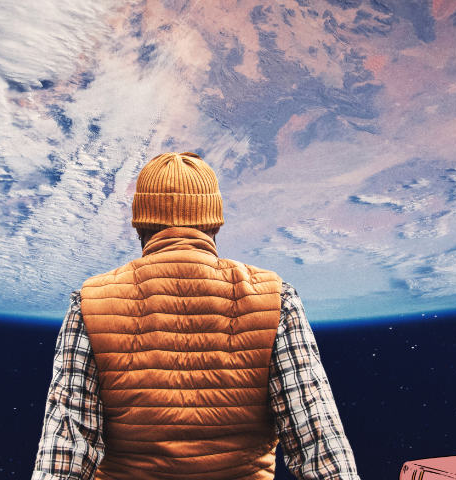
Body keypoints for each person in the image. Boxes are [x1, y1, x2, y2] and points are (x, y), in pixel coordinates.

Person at [32, 152, 360, 479]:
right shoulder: (275, 298)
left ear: (139, 225)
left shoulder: (90, 302)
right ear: (214, 223)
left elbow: (65, 448)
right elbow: (318, 441)